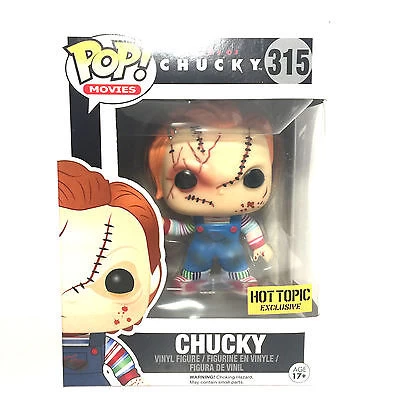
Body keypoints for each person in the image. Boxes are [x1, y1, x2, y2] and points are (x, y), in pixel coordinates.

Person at [148, 102, 273, 294]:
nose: (221, 192)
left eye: (252, 178)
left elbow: (251, 228)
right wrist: (161, 224)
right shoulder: (197, 220)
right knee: (196, 261)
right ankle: (192, 278)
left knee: (236, 262)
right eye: (186, 179)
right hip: (199, 250)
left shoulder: (240, 219)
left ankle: (240, 278)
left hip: (232, 251)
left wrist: (259, 245)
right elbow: (183, 228)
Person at [58, 159, 165, 386]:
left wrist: (133, 381)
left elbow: (119, 361)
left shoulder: (102, 343)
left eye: (118, 282)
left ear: (152, 280)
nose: (71, 295)